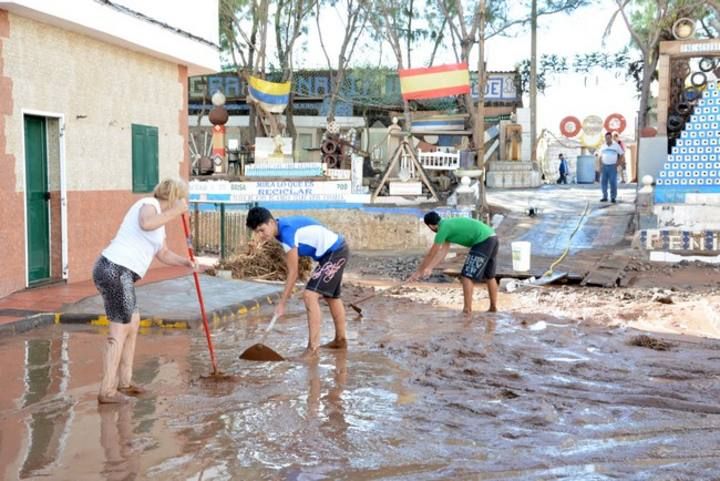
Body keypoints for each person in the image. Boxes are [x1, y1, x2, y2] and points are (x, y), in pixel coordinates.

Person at [93, 179, 194, 403]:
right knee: (119, 329)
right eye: (181, 198)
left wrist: (185, 262)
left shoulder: (159, 218)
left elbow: (164, 252)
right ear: (174, 196)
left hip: (120, 273)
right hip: (115, 269)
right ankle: (107, 391)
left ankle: (125, 382)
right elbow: (146, 223)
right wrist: (176, 211)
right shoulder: (149, 204)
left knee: (133, 321)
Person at [246, 207, 349, 359]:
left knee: (309, 295)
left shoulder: (287, 233)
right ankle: (340, 340)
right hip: (334, 250)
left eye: (262, 230)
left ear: (271, 222)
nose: (260, 236)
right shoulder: (282, 228)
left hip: (334, 251)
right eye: (257, 232)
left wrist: (282, 303)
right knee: (332, 296)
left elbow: (293, 273)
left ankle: (313, 349)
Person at [409, 212, 499, 314]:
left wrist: (419, 272)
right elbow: (443, 252)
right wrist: (430, 267)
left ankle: (467, 310)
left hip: (483, 240)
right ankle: (493, 308)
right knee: (489, 276)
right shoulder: (447, 225)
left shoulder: (442, 229)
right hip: (493, 237)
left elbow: (432, 253)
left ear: (430, 226)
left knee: (466, 276)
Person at [599, 131, 624, 203]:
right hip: (604, 166)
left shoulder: (616, 145)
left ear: (611, 138)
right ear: (605, 138)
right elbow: (600, 156)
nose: (608, 139)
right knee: (603, 182)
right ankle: (605, 196)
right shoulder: (603, 146)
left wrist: (618, 163)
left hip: (613, 166)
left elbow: (622, 154)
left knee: (613, 182)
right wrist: (600, 165)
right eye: (606, 138)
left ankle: (613, 197)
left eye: (609, 138)